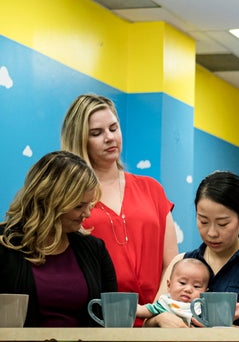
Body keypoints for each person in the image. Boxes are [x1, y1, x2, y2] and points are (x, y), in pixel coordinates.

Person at [61, 94, 178, 326]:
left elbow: (172, 263)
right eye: (97, 133)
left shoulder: (152, 189)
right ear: (80, 139)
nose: (109, 138)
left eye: (114, 128)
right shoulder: (69, 198)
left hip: (157, 322)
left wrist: (153, 313)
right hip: (96, 322)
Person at [144, 171, 239, 327]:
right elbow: (149, 323)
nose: (212, 233)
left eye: (222, 224)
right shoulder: (181, 262)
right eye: (203, 221)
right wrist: (161, 319)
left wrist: (222, 330)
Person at [0, 151, 117, 326]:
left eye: (89, 205)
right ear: (49, 202)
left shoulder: (94, 249)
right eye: (79, 206)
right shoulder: (4, 245)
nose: (87, 213)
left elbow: (112, 318)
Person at [144, 258, 211, 325]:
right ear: (169, 285)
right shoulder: (165, 303)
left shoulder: (202, 310)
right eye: (182, 283)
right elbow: (145, 311)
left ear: (205, 292)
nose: (188, 289)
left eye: (196, 286)